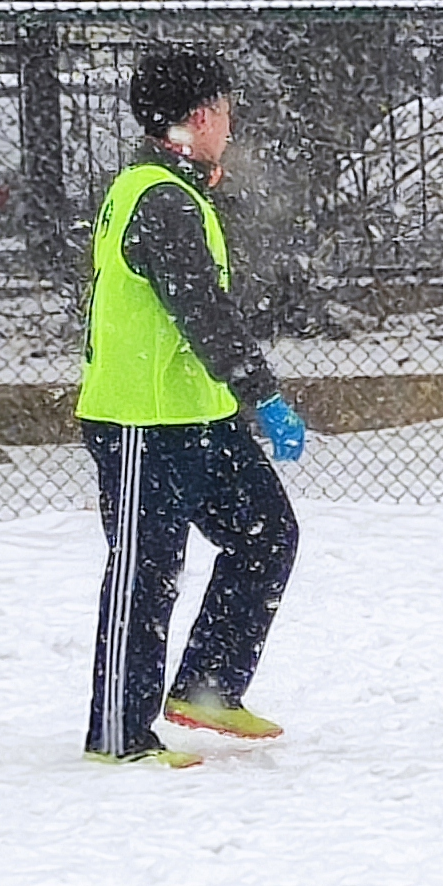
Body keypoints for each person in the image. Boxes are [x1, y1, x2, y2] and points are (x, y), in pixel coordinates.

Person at [81, 46, 307, 767]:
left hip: (193, 417)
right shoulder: (159, 197)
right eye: (227, 113)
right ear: (203, 115)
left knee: (267, 532)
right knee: (144, 573)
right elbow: (201, 312)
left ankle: (208, 685)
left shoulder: (175, 187)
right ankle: (118, 736)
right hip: (141, 418)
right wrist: (264, 394)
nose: (231, 129)